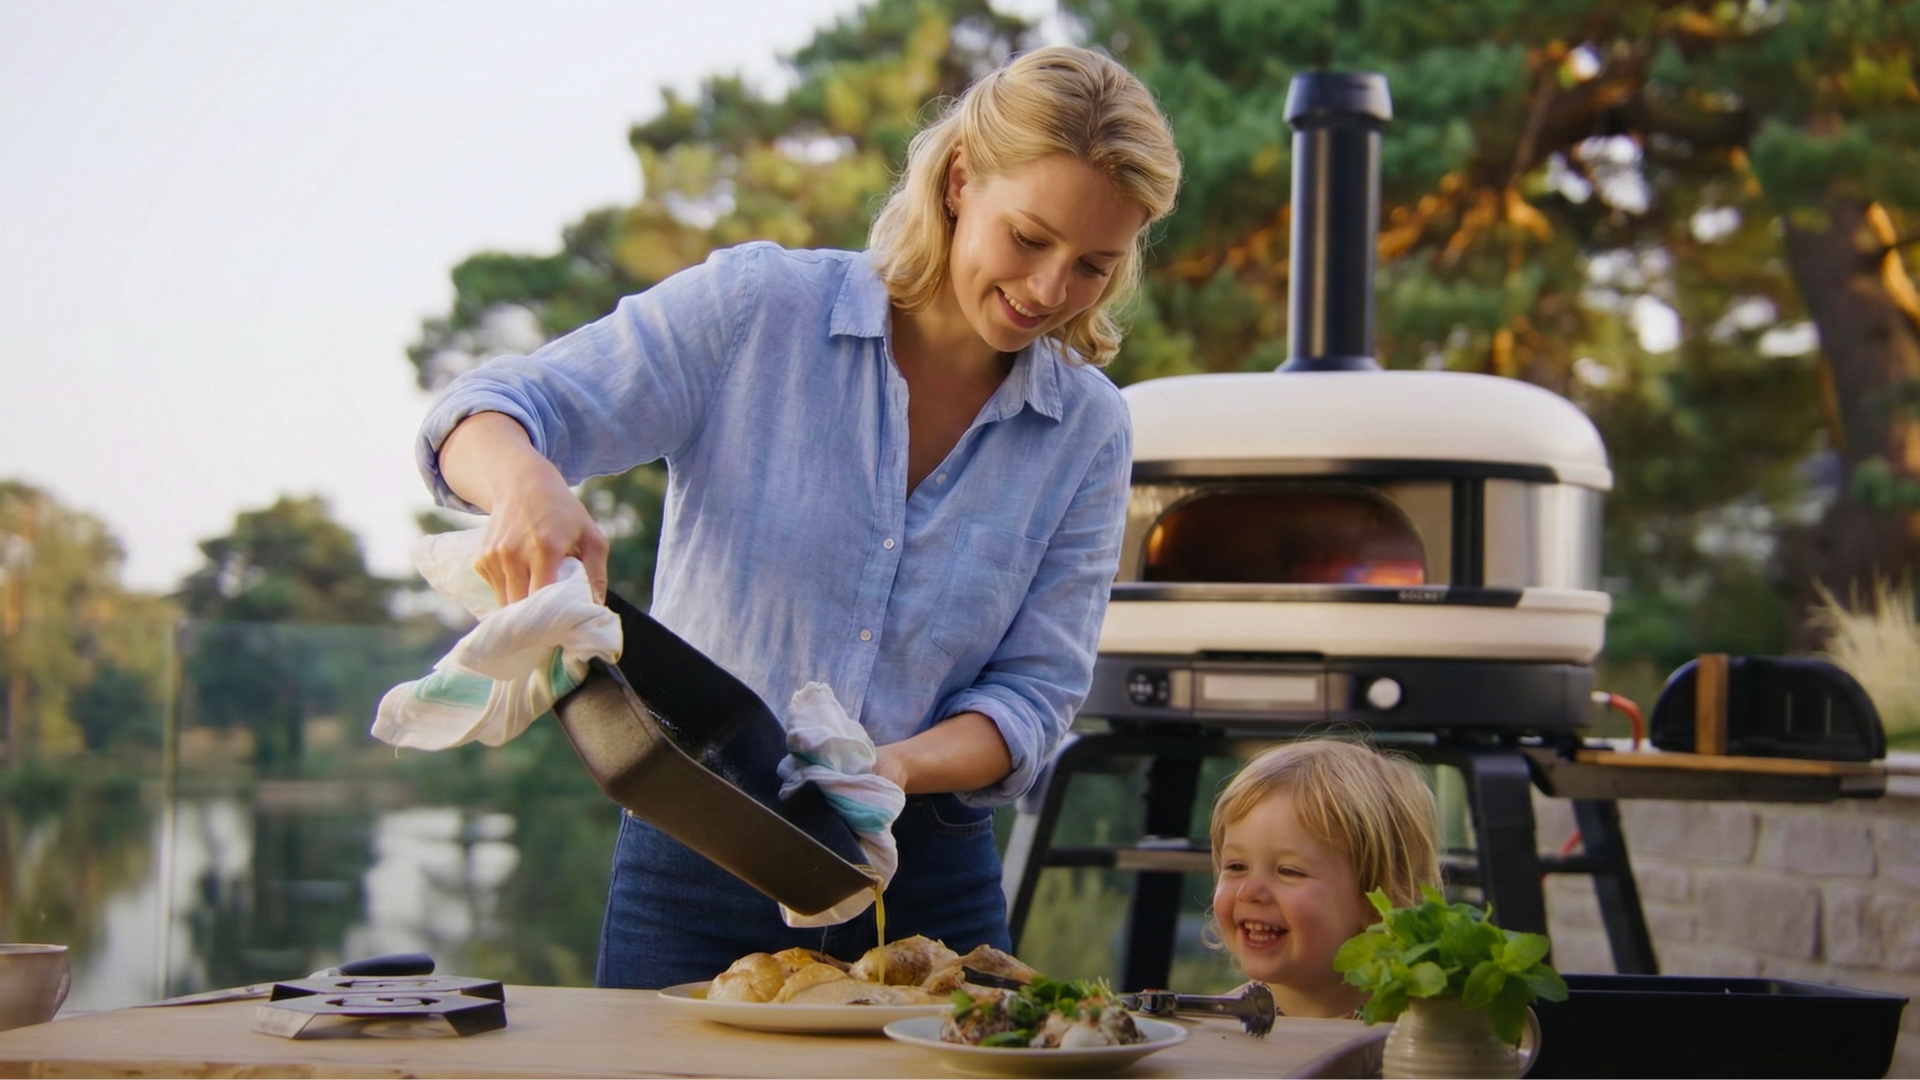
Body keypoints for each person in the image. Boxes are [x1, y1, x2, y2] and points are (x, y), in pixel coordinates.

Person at [414, 45, 1181, 988]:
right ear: (957, 181)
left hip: (926, 883)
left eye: (1095, 266)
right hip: (696, 857)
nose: (1051, 291)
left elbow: (1033, 695)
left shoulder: (1089, 430)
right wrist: (528, 483)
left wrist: (888, 770)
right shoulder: (757, 313)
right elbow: (485, 410)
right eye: (1029, 239)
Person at [1207, 739, 1442, 1018]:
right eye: (1236, 866)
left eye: (1288, 871)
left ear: (1378, 905)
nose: (1249, 891)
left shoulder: (1420, 1041)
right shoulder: (1216, 1028)